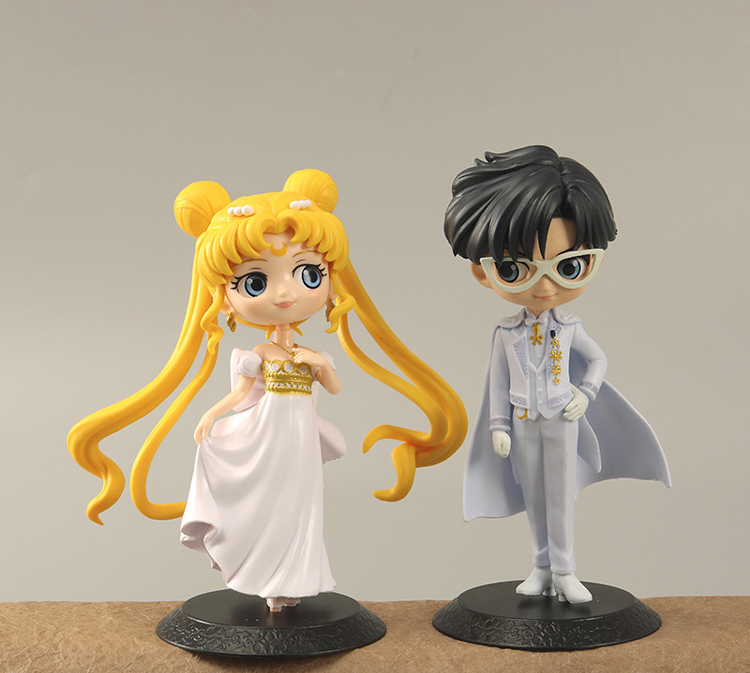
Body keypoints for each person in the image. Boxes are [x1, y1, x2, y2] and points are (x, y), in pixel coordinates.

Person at [69, 169, 466, 610]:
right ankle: (267, 580)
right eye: (255, 282)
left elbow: (334, 388)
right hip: (266, 437)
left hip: (300, 439)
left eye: (308, 275)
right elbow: (241, 395)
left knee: (301, 506)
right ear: (224, 295)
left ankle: (295, 581)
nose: (284, 294)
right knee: (268, 505)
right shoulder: (256, 353)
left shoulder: (314, 354)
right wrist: (212, 414)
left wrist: (320, 364)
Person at [444, 146, 670, 603]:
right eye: (515, 269)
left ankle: (565, 570)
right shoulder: (505, 332)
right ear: (484, 273)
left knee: (561, 496)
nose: (545, 286)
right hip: (523, 422)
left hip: (562, 419)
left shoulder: (570, 328)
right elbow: (497, 383)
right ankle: (541, 564)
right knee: (533, 495)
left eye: (567, 267)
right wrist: (498, 425)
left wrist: (586, 393)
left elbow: (599, 360)